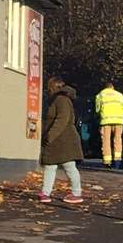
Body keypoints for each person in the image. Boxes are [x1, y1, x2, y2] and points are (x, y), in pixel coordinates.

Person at [39, 76, 84, 204]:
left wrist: (50, 136)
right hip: (63, 139)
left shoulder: (61, 100)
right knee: (56, 166)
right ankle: (46, 193)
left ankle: (75, 193)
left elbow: (62, 120)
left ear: (52, 87)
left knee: (64, 166)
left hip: (62, 140)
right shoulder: (63, 99)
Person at [94, 80, 123, 168]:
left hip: (106, 121)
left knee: (106, 140)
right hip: (118, 121)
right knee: (117, 140)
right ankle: (117, 161)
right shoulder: (119, 95)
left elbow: (97, 109)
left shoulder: (100, 95)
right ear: (112, 87)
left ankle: (107, 161)